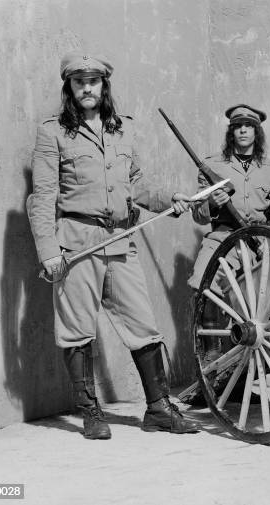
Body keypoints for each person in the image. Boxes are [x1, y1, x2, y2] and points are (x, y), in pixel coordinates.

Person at [27, 52, 200, 439]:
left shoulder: (123, 130)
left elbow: (136, 183)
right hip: (76, 246)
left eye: (94, 80)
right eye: (79, 81)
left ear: (104, 86)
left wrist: (168, 198)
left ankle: (157, 409)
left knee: (143, 324)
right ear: (69, 88)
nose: (87, 87)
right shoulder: (53, 132)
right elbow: (42, 197)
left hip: (120, 241)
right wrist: (50, 252)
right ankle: (91, 413)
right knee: (77, 330)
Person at [188, 104, 270, 290]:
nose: (243, 130)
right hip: (223, 239)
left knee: (268, 302)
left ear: (256, 132)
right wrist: (211, 204)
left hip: (259, 243)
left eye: (248, 126)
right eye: (237, 126)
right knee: (200, 282)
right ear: (231, 131)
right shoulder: (212, 165)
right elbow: (197, 214)